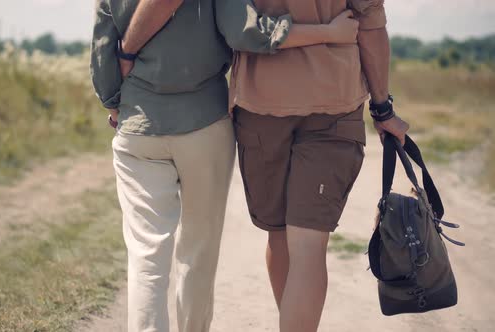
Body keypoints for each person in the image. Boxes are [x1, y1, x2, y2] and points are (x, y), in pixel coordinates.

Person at [91, 0, 359, 331]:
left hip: (138, 128)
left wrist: (115, 103)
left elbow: (103, 49)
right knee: (198, 252)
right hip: (204, 128)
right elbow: (244, 31)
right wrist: (328, 33)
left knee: (146, 256)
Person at [229, 0, 410, 331]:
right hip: (334, 103)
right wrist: (382, 108)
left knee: (279, 233)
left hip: (261, 105)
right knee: (308, 246)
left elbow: (232, 24)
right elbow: (370, 24)